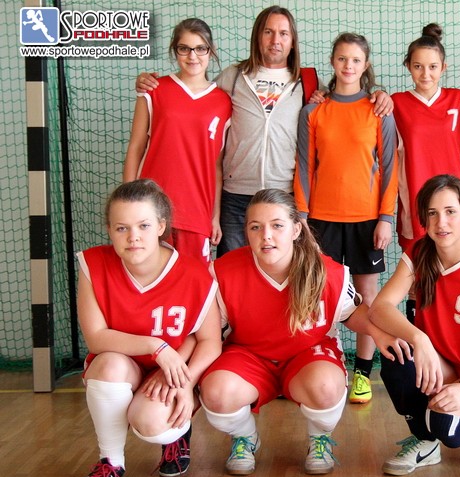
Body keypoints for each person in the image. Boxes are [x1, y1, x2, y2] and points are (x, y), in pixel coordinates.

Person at [137, 6, 393, 256]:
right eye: (268, 32)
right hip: (235, 196)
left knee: (278, 272)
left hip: (283, 195)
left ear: (293, 40)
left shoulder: (308, 81)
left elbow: (344, 99)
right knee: (233, 272)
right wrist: (152, 83)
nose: (275, 40)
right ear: (257, 36)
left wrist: (379, 95)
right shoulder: (233, 76)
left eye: (283, 33)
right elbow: (194, 94)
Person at [199, 189, 405, 476]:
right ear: (246, 232)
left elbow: (350, 312)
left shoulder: (327, 271)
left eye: (277, 225)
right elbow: (207, 334)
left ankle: (320, 438)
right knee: (216, 392)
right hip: (249, 355)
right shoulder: (223, 271)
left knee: (325, 387)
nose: (266, 236)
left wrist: (378, 332)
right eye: (255, 227)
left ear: (296, 229)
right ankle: (245, 437)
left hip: (308, 355)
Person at [369, 175, 460, 476]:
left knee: (445, 426)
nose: (441, 223)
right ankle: (425, 443)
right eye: (432, 213)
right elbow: (379, 308)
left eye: (450, 211)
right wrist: (419, 339)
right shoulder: (420, 253)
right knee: (397, 356)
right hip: (443, 365)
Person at [77, 179, 222, 477]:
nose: (133, 237)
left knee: (151, 422)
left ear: (160, 226)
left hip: (173, 369)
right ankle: (111, 462)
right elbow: (96, 338)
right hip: (126, 363)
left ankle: (176, 437)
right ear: (109, 230)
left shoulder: (194, 273)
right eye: (122, 228)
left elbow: (210, 340)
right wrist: (156, 347)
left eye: (143, 226)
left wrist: (185, 381)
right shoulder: (94, 264)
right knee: (107, 366)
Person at [294, 32, 398, 406]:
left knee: (367, 297)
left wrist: (386, 217)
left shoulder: (379, 110)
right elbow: (304, 167)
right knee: (321, 296)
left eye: (355, 60)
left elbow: (390, 168)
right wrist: (301, 217)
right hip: (321, 220)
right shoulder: (313, 111)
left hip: (366, 220)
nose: (348, 66)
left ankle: (362, 374)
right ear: (333, 62)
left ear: (365, 65)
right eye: (342, 59)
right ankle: (328, 364)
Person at [124, 18, 232, 264]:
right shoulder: (153, 89)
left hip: (197, 213)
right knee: (151, 279)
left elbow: (216, 165)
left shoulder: (224, 102)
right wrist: (127, 202)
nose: (193, 56)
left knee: (194, 281)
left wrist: (214, 216)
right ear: (175, 50)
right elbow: (136, 147)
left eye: (200, 48)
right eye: (184, 48)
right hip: (151, 208)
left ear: (211, 51)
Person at [391, 23, 460, 324]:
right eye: (418, 66)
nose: (426, 74)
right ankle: (417, 339)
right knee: (418, 278)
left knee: (455, 274)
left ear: (443, 67)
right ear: (408, 67)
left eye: (433, 67)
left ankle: (451, 339)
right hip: (416, 203)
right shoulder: (396, 104)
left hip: (453, 205)